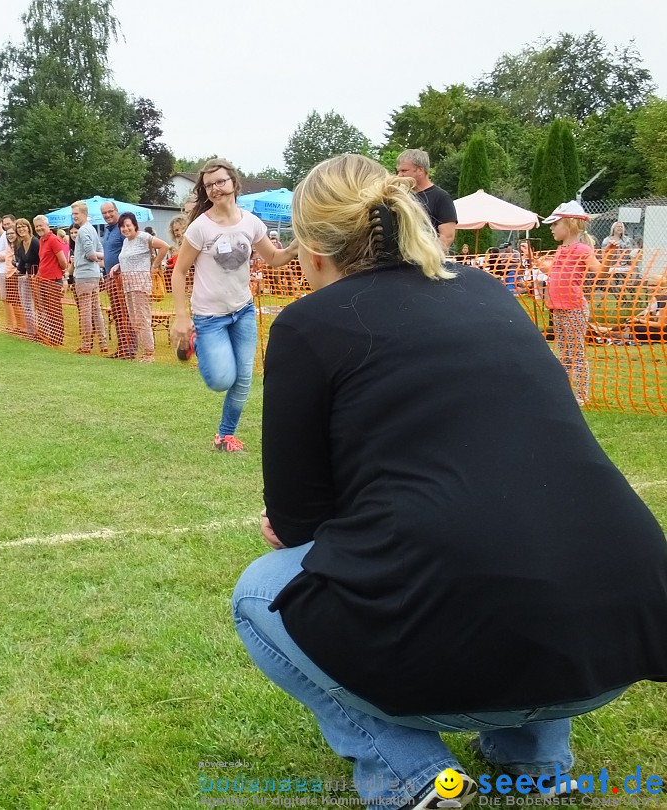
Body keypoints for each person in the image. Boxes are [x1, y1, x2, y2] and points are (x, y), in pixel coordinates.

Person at [232, 154, 667, 810]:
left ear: (313, 252)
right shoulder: (487, 291)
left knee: (259, 591)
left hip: (463, 630)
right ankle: (537, 763)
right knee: (523, 524)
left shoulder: (306, 326)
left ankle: (412, 780)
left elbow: (297, 523)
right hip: (621, 630)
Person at [169, 158, 299, 453]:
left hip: (243, 311)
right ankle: (195, 341)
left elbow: (274, 259)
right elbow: (179, 271)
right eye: (209, 185)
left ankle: (225, 437)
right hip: (209, 318)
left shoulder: (251, 222)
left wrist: (293, 247)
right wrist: (181, 315)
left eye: (221, 182)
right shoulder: (200, 228)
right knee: (220, 380)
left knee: (242, 380)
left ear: (234, 183)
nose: (216, 189)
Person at [544, 200, 598, 405]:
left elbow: (598, 270)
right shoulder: (560, 250)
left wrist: (610, 258)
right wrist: (546, 269)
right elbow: (558, 274)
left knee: (576, 351)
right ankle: (565, 391)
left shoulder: (583, 249)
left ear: (570, 224)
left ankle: (582, 394)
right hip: (558, 308)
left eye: (555, 224)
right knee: (564, 351)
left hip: (574, 307)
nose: (551, 228)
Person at [110, 212, 169, 362]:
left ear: (134, 225)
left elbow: (164, 246)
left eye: (128, 225)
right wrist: (118, 266)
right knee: (135, 321)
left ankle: (149, 354)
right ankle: (144, 353)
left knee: (143, 320)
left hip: (141, 285)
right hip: (128, 285)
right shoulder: (126, 242)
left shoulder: (143, 237)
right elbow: (127, 259)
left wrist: (155, 266)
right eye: (122, 226)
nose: (125, 229)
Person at [396, 149, 456, 251]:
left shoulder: (441, 197)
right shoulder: (401, 195)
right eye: (398, 171)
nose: (399, 175)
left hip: (425, 261)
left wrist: (425, 257)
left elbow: (447, 237)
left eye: (404, 171)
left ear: (420, 170)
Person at [71, 201, 108, 355]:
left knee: (85, 311)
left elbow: (91, 253)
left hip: (84, 274)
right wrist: (101, 258)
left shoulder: (83, 231)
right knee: (95, 309)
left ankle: (86, 344)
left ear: (84, 214)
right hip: (93, 274)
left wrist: (98, 257)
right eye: (73, 214)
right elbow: (99, 249)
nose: (74, 217)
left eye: (76, 214)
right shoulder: (91, 229)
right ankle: (103, 342)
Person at [99, 201, 132, 358]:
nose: (107, 215)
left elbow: (130, 251)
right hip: (110, 279)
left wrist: (119, 264)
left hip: (121, 279)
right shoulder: (108, 230)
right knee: (118, 315)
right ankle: (122, 347)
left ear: (117, 211)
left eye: (110, 211)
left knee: (124, 314)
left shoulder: (121, 229)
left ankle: (128, 349)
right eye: (104, 213)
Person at [33, 215, 67, 345]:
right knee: (47, 309)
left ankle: (57, 338)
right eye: (36, 226)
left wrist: (60, 272)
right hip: (43, 280)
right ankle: (52, 335)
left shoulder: (53, 240)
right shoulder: (42, 240)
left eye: (41, 225)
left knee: (54, 310)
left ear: (47, 225)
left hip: (53, 281)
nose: (39, 228)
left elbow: (63, 261)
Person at [13, 218, 39, 339]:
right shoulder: (20, 245)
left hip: (38, 278)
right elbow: (22, 264)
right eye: (18, 227)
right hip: (27, 277)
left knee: (40, 306)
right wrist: (17, 269)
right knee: (27, 305)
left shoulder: (35, 242)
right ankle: (31, 332)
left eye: (24, 226)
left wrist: (37, 274)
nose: (21, 229)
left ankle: (41, 332)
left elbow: (42, 259)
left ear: (29, 228)